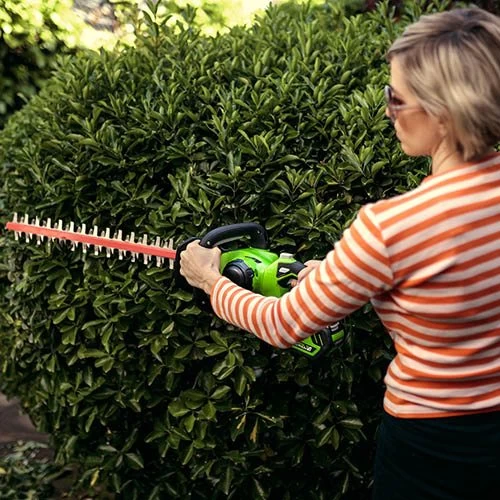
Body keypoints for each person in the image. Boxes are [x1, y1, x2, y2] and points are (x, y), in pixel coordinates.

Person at [179, 7, 500, 500]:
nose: (388, 111)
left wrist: (210, 280)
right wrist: (346, 278)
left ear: (442, 112)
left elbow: (284, 324)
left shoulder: (391, 227)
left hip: (434, 445)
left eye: (395, 98)